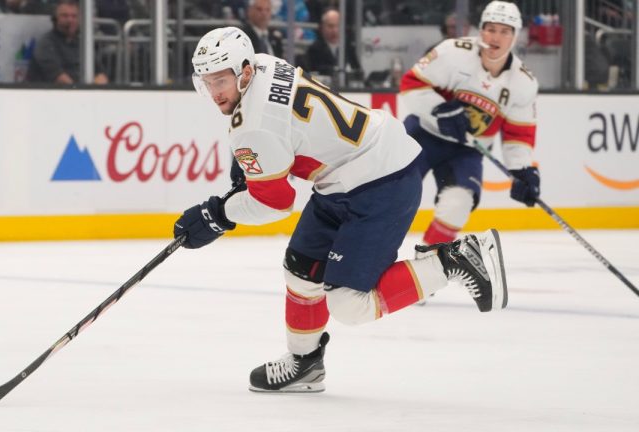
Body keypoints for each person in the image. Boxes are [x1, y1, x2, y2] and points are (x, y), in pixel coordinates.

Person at [173, 26, 509, 393]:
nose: (213, 91)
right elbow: (285, 131)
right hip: (350, 172)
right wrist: (251, 167)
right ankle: (306, 364)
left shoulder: (252, 127)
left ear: (245, 73)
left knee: (350, 303)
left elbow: (275, 202)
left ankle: (456, 258)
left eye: (220, 80)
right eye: (206, 81)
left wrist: (217, 215)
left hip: (381, 182)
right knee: (301, 271)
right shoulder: (266, 64)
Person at [399, 1, 540, 249]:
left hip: (466, 149)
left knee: (458, 203)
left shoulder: (523, 82)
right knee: (393, 197)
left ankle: (425, 268)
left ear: (515, 36)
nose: (496, 37)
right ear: (480, 30)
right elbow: (410, 84)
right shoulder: (452, 52)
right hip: (423, 134)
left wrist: (522, 171)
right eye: (490, 28)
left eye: (504, 31)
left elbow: (519, 134)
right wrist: (439, 109)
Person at [26, 0, 109, 84]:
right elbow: (60, 79)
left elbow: (100, 73)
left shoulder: (83, 43)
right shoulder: (46, 44)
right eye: (64, 16)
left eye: (74, 16)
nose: (70, 20)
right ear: (55, 19)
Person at [301, 8, 360, 77]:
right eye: (330, 26)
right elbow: (313, 71)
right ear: (323, 27)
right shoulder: (314, 49)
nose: (334, 30)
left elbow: (357, 70)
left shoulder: (348, 48)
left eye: (338, 26)